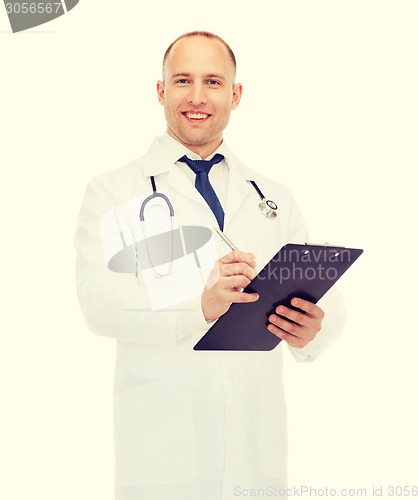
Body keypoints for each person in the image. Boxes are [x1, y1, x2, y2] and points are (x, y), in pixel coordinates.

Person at [75, 31, 346, 500]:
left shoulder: (272, 197)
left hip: (256, 455)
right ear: (161, 91)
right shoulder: (113, 191)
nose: (197, 97)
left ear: (235, 95)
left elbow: (327, 296)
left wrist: (315, 327)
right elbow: (99, 304)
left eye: (213, 82)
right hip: (162, 454)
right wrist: (199, 306)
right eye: (182, 80)